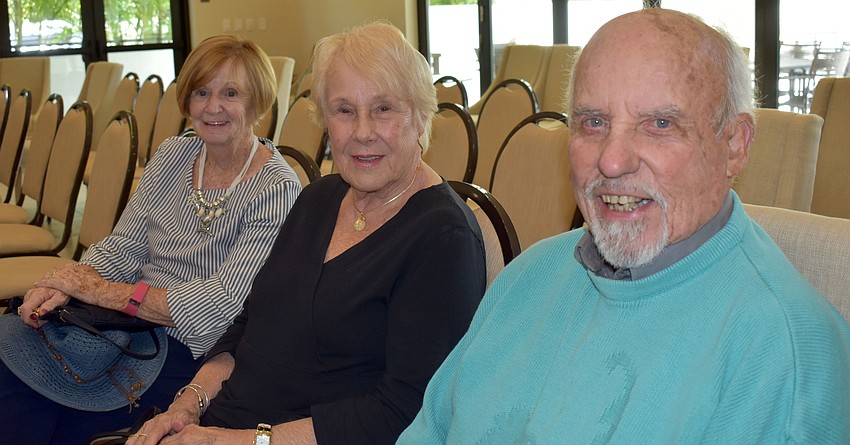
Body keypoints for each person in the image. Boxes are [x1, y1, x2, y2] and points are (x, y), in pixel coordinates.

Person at [399, 8, 850, 444]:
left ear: (734, 145)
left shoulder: (787, 362)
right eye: (593, 122)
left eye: (658, 123)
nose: (611, 161)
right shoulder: (527, 278)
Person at [127, 21, 486, 445]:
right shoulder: (319, 197)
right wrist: (187, 406)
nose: (363, 131)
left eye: (384, 109)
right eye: (345, 110)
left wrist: (241, 441)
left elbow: (402, 412)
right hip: (220, 422)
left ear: (422, 117)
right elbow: (248, 323)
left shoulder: (443, 238)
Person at [0, 35, 302, 445]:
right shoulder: (174, 154)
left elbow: (219, 307)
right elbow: (123, 246)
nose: (212, 107)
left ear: (258, 102)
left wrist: (102, 292)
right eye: (201, 92)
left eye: (231, 93)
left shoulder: (276, 187)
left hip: (190, 348)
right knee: (12, 360)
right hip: (124, 323)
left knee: (40, 399)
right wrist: (67, 278)